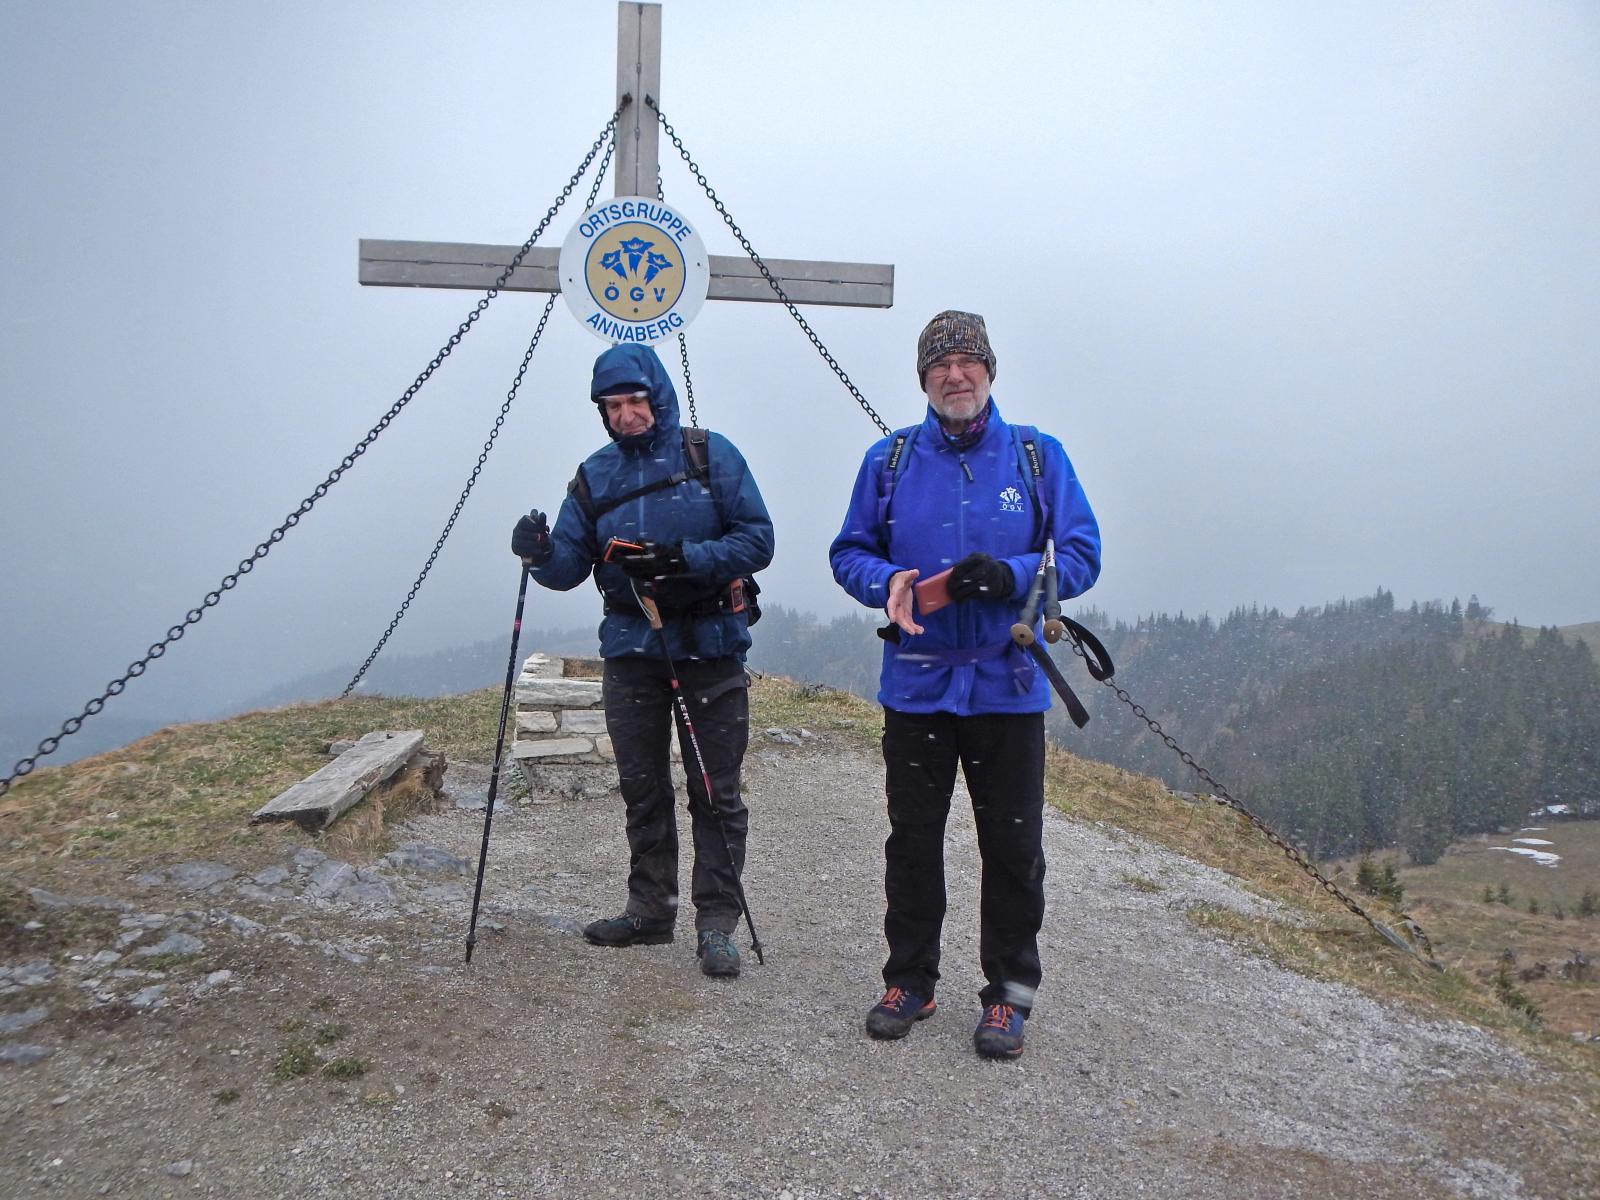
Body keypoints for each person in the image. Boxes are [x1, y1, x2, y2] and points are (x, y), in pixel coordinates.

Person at [828, 310, 1100, 1058]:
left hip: (1009, 688)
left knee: (1013, 850)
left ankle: (1009, 995)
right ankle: (909, 982)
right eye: (939, 364)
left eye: (967, 362)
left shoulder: (1039, 459)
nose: (955, 374)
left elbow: (1080, 554)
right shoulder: (888, 462)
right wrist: (888, 580)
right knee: (912, 843)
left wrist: (1012, 575)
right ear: (923, 378)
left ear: (989, 371)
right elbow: (848, 551)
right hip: (915, 688)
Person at [512, 343, 774, 979]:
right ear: (601, 410)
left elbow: (758, 541)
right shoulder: (594, 476)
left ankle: (716, 925)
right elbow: (570, 568)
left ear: (657, 399)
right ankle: (650, 909)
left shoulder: (710, 455)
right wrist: (540, 553)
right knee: (641, 786)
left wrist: (686, 559)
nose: (626, 415)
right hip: (632, 651)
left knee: (715, 791)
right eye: (613, 405)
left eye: (635, 402)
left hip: (710, 646)